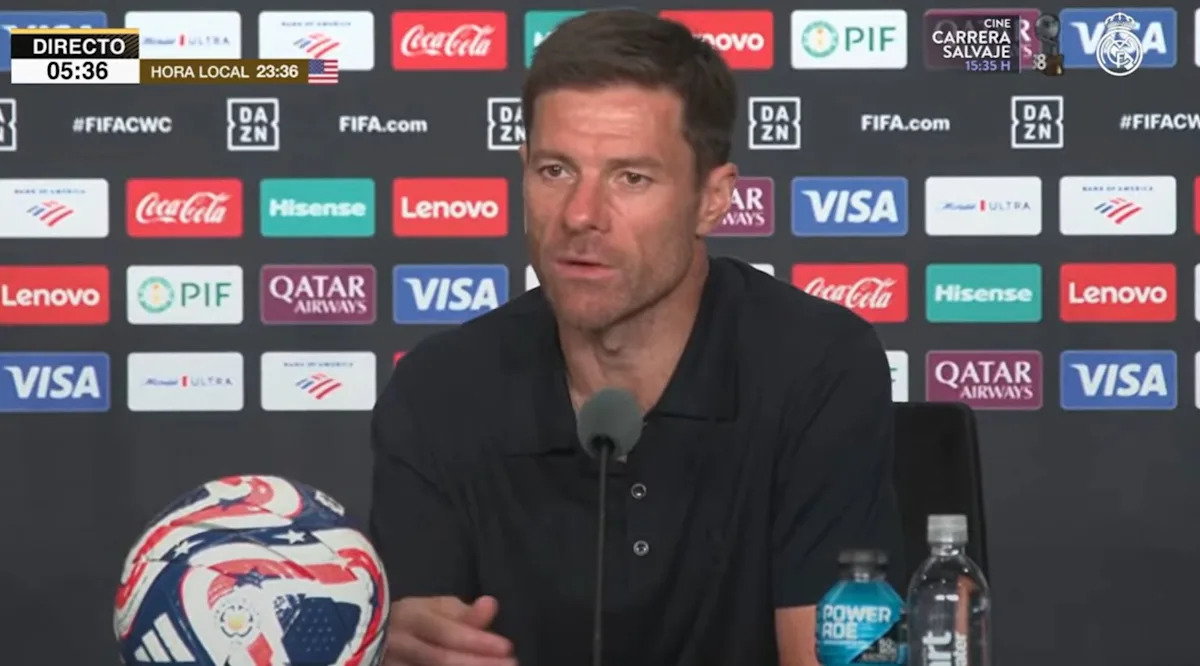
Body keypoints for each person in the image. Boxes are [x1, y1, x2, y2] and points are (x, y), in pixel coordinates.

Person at [369, 9, 904, 666]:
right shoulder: (438, 392)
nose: (581, 214)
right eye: (555, 170)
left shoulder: (815, 366)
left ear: (713, 199)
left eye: (631, 178)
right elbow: (427, 639)